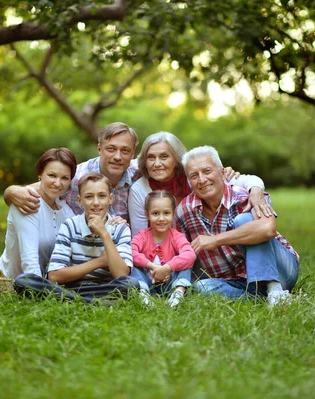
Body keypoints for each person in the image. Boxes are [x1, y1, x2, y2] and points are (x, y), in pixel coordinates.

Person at [175, 146, 300, 306]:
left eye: (207, 171)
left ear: (222, 172)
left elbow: (268, 229)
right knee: (201, 287)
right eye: (194, 175)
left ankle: (274, 290)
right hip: (236, 281)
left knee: (243, 220)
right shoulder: (184, 212)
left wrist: (215, 240)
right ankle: (266, 298)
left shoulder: (247, 196)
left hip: (280, 271)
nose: (201, 179)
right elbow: (184, 254)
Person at [14, 172, 139, 301]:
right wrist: (99, 262)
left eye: (102, 196)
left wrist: (104, 234)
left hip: (105, 287)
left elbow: (121, 274)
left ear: (110, 199)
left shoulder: (120, 229)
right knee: (23, 281)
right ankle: (93, 302)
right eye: (89, 197)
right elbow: (54, 276)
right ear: (80, 201)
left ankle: (72, 300)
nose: (96, 203)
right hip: (72, 287)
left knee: (131, 285)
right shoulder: (70, 226)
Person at [128, 131, 275, 236]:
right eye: (151, 158)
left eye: (164, 157)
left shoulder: (194, 177)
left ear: (176, 159)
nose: (157, 163)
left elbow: (249, 180)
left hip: (202, 249)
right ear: (145, 162)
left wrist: (256, 191)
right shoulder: (140, 189)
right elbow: (139, 236)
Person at [4, 122, 139, 221]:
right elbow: (44, 186)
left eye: (125, 150)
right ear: (99, 149)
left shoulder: (139, 176)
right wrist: (10, 192)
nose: (117, 156)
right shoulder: (77, 176)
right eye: (111, 149)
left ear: (133, 153)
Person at [0, 148, 76, 279]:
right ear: (40, 173)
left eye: (64, 178)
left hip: (45, 282)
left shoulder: (64, 208)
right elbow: (30, 261)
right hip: (12, 284)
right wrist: (39, 294)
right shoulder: (27, 201)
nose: (58, 183)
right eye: (52, 175)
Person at [130, 190, 196, 307]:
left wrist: (167, 268)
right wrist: (153, 267)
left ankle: (178, 293)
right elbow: (132, 252)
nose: (161, 218)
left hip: (169, 282)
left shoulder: (176, 236)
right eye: (155, 213)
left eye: (166, 213)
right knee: (133, 265)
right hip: (148, 281)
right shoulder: (142, 236)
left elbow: (190, 254)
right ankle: (143, 294)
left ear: (173, 213)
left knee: (187, 263)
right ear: (147, 215)